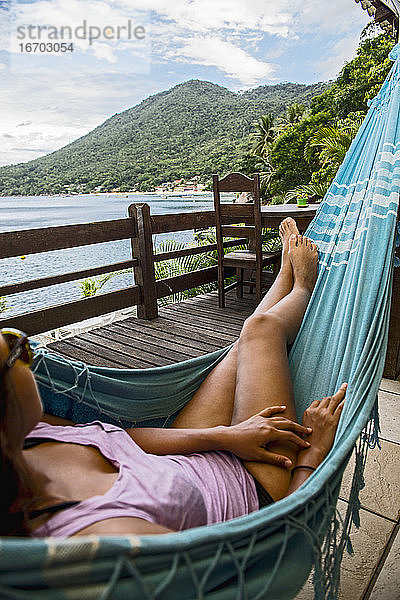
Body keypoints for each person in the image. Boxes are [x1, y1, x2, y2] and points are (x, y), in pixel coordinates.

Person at [0, 218, 346, 538]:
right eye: (17, 349)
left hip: (199, 446)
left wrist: (225, 437)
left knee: (245, 340)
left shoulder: (28, 434)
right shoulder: (101, 537)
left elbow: (122, 440)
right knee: (261, 329)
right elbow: (269, 546)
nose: (29, 357)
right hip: (253, 486)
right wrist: (312, 455)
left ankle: (285, 275)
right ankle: (302, 287)